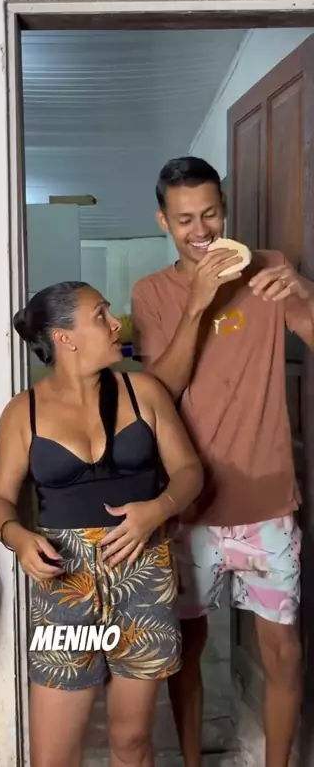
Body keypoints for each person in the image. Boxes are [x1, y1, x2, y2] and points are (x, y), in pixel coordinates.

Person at [132, 156, 314, 767]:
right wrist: (198, 303)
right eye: (185, 219)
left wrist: (306, 293)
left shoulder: (269, 269)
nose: (201, 230)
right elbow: (160, 389)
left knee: (285, 652)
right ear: (163, 220)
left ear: (225, 208)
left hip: (268, 500)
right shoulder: (152, 292)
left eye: (210, 213)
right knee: (185, 650)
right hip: (188, 507)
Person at [0, 280, 204, 767]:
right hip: (66, 585)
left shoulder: (143, 391)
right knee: (54, 754)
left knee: (132, 741)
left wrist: (157, 509)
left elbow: (190, 471)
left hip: (142, 574)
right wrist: (18, 538)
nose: (115, 324)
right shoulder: (23, 412)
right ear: (65, 338)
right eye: (101, 315)